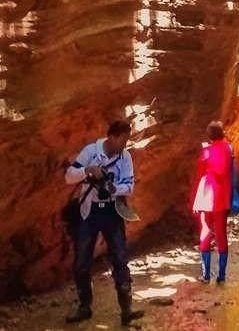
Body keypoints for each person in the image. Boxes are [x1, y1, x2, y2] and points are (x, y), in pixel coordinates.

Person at [64, 119, 144, 326]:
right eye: (123, 140)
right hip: (89, 213)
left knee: (120, 259)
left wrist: (113, 188)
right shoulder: (91, 151)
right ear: (112, 136)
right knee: (82, 261)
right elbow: (69, 177)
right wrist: (88, 170)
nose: (125, 144)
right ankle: (84, 307)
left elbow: (129, 186)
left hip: (112, 212)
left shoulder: (125, 157)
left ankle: (126, 309)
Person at [190, 121, 233, 284]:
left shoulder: (207, 151)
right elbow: (227, 171)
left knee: (205, 233)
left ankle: (206, 275)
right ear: (222, 133)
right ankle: (221, 276)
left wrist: (194, 199)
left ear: (210, 135)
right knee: (221, 235)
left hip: (206, 195)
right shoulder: (228, 149)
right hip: (222, 196)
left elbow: (200, 173)